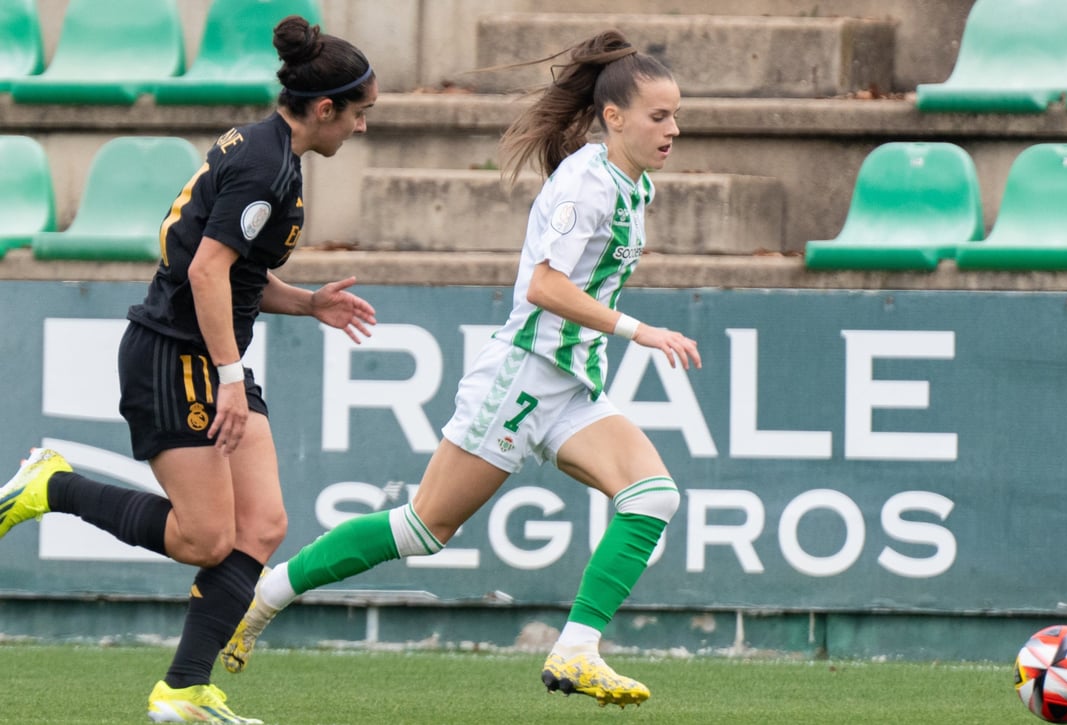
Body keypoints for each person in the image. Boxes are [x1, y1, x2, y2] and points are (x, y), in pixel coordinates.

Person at [216, 29, 698, 709]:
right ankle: (261, 596)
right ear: (613, 117)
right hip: (523, 378)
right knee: (423, 528)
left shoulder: (631, 182)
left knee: (653, 496)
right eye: (660, 115)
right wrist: (639, 330)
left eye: (677, 114)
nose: (673, 128)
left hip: (570, 383)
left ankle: (577, 650)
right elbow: (544, 287)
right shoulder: (586, 186)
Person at [0, 15, 379, 724]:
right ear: (326, 108)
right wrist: (232, 378)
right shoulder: (267, 163)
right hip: (177, 357)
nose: (362, 127)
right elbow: (206, 271)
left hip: (206, 354)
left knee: (262, 524)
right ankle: (53, 485)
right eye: (361, 113)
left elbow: (233, 274)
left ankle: (183, 690)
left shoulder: (274, 150)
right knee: (204, 538)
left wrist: (308, 302)